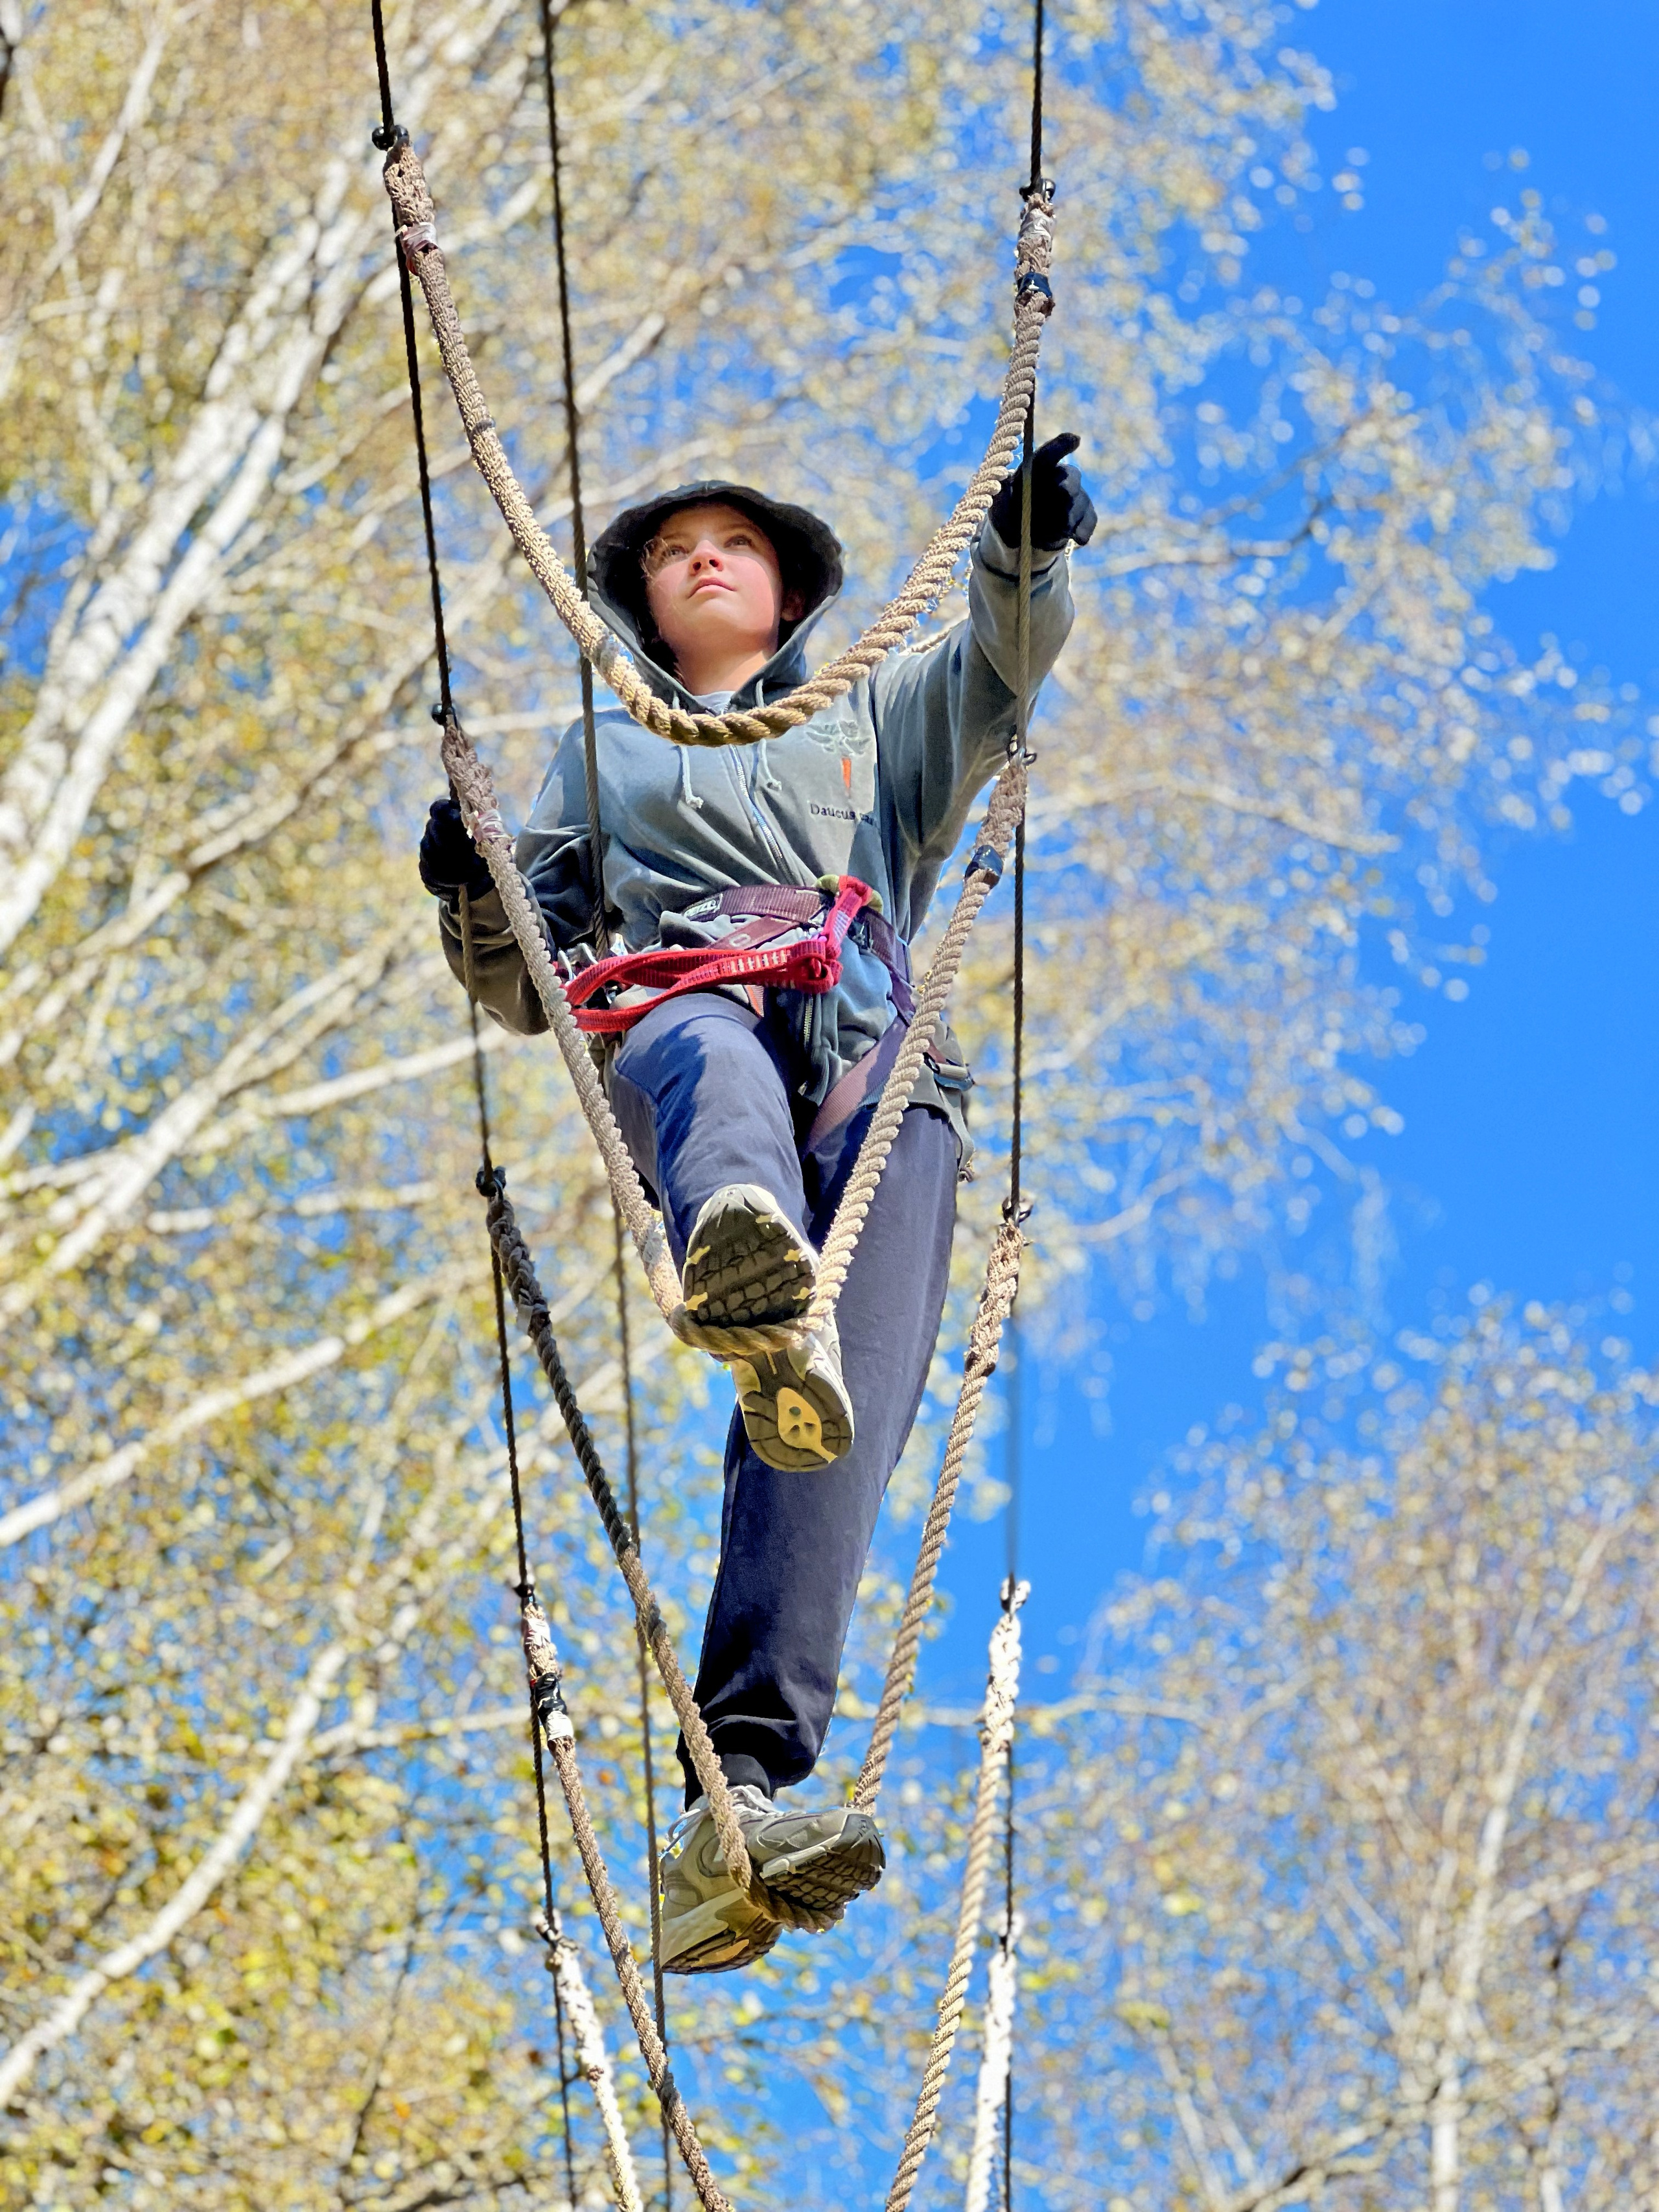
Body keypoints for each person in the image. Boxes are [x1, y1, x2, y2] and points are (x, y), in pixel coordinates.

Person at [418, 437, 1094, 1972]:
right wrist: (471, 884)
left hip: (874, 1065)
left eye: (733, 542)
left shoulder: (872, 716)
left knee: (832, 1436)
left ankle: (739, 1799)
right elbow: (525, 972)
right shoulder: (603, 758)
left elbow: (1000, 666)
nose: (704, 559)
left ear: (786, 591)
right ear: (646, 606)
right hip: (686, 1001)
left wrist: (1024, 552)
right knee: (710, 1058)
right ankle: (746, 1248)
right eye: (674, 552)